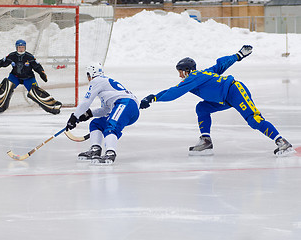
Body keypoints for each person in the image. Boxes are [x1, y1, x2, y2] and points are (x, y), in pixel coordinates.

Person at [140, 45, 294, 156]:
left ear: (187, 71)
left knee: (253, 120)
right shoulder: (202, 74)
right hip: (223, 99)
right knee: (202, 108)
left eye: (181, 72)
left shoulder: (193, 78)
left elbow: (174, 92)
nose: (180, 75)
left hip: (235, 91)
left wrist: (153, 97)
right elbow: (220, 65)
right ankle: (206, 140)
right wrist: (238, 55)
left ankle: (281, 141)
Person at [66, 63, 140, 164]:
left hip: (126, 103)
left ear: (90, 74)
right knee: (96, 123)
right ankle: (95, 149)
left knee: (111, 126)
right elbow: (105, 109)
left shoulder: (96, 80)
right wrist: (89, 114)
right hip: (126, 106)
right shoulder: (105, 85)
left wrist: (74, 117)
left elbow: (86, 101)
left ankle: (110, 153)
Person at [0, 39, 62, 114]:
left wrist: (42, 73)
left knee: (36, 92)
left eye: (22, 47)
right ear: (16, 48)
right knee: (5, 86)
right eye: (19, 47)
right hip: (15, 76)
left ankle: (52, 105)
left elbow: (37, 66)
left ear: (25, 47)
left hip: (28, 78)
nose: (21, 49)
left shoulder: (29, 57)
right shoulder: (12, 56)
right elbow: (1, 62)